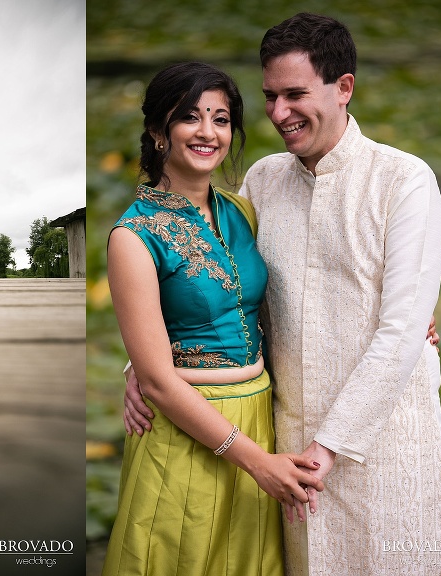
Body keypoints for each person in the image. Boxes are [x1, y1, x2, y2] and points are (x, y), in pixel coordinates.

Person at [123, 13, 441, 576]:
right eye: (269, 96)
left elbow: (401, 331)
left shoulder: (403, 181)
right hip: (283, 446)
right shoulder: (263, 180)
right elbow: (215, 285)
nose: (279, 114)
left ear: (344, 88)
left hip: (382, 447)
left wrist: (329, 447)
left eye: (294, 95)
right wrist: (145, 366)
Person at [102, 61, 325, 576]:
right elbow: (158, 379)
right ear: (159, 131)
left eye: (221, 119)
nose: (208, 133)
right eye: (190, 118)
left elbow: (317, 276)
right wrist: (256, 461)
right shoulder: (134, 238)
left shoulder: (242, 211)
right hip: (188, 430)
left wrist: (407, 307)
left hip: (260, 416)